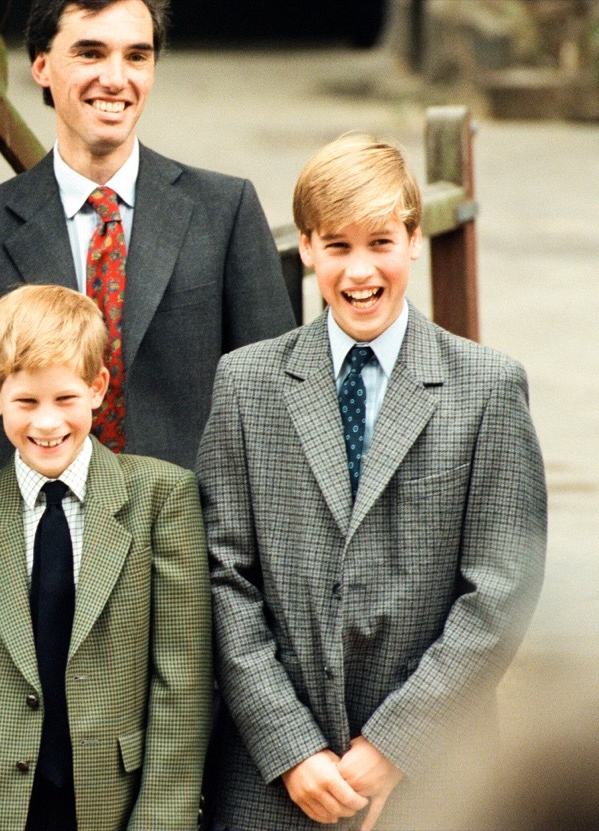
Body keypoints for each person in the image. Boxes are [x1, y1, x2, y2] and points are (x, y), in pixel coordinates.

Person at [197, 134, 547, 831]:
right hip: (274, 783)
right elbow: (222, 574)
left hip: (438, 776)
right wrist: (291, 747)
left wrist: (394, 744)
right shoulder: (247, 383)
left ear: (414, 239)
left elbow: (502, 587)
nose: (360, 271)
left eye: (380, 242)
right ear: (305, 248)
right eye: (337, 246)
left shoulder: (486, 388)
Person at [0, 0, 295, 487]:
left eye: (136, 56)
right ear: (41, 64)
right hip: (29, 549)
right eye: (91, 53)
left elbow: (271, 414)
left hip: (187, 547)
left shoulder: (224, 211)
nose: (116, 78)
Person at [0, 283, 211, 831]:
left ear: (97, 388)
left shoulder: (162, 498)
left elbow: (181, 685)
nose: (47, 424)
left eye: (65, 399)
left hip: (116, 804)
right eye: (26, 402)